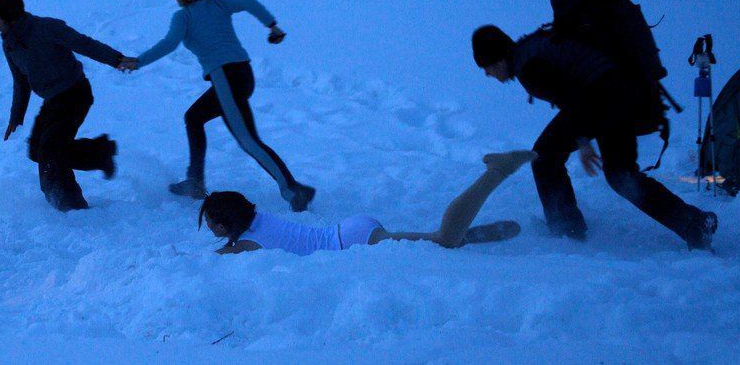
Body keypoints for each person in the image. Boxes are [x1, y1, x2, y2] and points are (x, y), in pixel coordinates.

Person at [472, 25, 717, 250]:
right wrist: (583, 135)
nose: (487, 73)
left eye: (487, 66)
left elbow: (575, 97)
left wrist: (583, 141)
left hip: (608, 100)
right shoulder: (530, 52)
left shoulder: (529, 66)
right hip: (611, 97)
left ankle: (567, 231)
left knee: (551, 158)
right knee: (614, 174)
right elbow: (575, 95)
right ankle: (694, 223)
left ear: (498, 58)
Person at [123, 0, 315, 211]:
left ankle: (293, 190)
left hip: (225, 77)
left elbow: (169, 44)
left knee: (248, 140)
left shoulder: (184, 17)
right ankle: (195, 182)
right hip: (243, 74)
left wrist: (138, 61)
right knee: (194, 117)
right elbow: (247, 0)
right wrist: (272, 26)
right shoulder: (220, 4)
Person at [200, 150, 536, 254]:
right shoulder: (258, 221)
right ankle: (471, 236)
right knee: (440, 242)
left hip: (354, 241)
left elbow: (206, 263)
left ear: (223, 222)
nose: (211, 229)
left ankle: (496, 171)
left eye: (212, 223)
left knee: (441, 239)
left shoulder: (244, 243)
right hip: (350, 230)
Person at [0, 0, 131, 211]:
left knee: (51, 148)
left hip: (74, 93)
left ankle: (71, 205)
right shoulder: (10, 44)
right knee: (36, 149)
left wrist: (117, 59)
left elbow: (84, 44)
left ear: (10, 16)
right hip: (53, 100)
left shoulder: (45, 28)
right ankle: (99, 153)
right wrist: (16, 117)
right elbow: (20, 81)